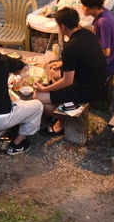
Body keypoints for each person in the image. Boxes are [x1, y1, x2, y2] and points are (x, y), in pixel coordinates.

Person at [35, 7, 106, 135]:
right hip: (98, 81)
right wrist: (62, 62)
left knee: (38, 97)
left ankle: (62, 122)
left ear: (62, 27)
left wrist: (44, 89)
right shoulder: (87, 33)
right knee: (53, 72)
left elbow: (68, 81)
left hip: (86, 91)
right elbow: (85, 55)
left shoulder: (70, 47)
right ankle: (59, 108)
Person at [80, 0, 114, 77]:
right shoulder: (104, 11)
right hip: (111, 60)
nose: (82, 7)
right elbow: (97, 32)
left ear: (94, 8)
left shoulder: (103, 23)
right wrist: (82, 28)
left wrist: (88, 51)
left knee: (76, 59)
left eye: (85, 6)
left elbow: (106, 53)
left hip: (107, 65)